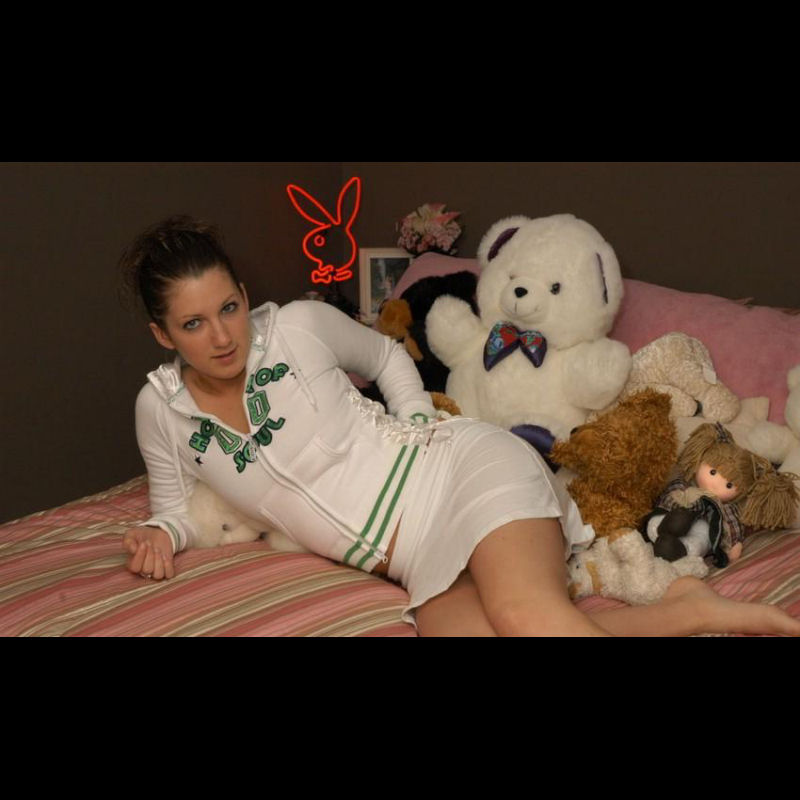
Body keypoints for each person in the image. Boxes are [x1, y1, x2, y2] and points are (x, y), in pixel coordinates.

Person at [120, 216, 800, 637]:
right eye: (193, 323)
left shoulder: (297, 328)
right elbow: (174, 509)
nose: (223, 336)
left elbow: (386, 356)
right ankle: (685, 613)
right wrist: (160, 533)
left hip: (459, 471)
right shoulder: (161, 410)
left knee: (525, 618)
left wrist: (419, 421)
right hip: (411, 556)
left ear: (244, 295)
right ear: (161, 334)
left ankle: (689, 611)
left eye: (230, 307)